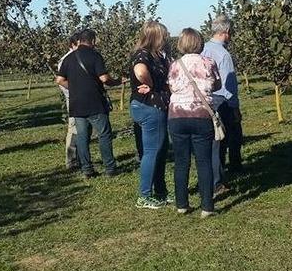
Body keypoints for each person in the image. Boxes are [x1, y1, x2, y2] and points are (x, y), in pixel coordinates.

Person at [168, 28, 221, 217]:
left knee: (181, 161)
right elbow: (217, 85)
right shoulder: (208, 62)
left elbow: (171, 86)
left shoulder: (175, 65)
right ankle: (207, 206)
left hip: (177, 115)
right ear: (199, 43)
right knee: (204, 161)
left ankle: (182, 203)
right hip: (201, 114)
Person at [55, 29, 122, 179]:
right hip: (94, 102)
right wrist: (117, 81)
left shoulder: (69, 58)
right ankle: (110, 168)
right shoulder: (95, 56)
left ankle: (87, 169)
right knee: (104, 135)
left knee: (82, 137)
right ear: (92, 40)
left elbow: (59, 80)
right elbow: (104, 78)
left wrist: (73, 88)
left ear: (79, 41)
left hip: (76, 104)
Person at [129, 21, 172, 209]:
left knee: (160, 149)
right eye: (164, 35)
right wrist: (152, 83)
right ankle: (145, 195)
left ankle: (161, 191)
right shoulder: (143, 54)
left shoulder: (157, 55)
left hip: (155, 106)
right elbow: (140, 71)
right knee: (152, 151)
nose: (166, 39)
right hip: (149, 106)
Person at [201, 15, 243, 194]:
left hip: (206, 102)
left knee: (214, 141)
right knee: (225, 139)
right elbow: (228, 85)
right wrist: (235, 107)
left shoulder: (202, 49)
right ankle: (221, 179)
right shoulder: (224, 55)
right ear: (226, 32)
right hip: (222, 102)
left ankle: (219, 174)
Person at [57, 33, 80, 170]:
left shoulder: (80, 57)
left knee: (81, 129)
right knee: (73, 129)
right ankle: (71, 161)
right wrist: (75, 90)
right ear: (72, 44)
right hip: (73, 98)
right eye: (78, 43)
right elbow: (61, 81)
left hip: (81, 98)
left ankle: (80, 158)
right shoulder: (66, 60)